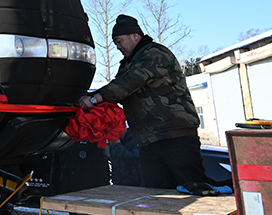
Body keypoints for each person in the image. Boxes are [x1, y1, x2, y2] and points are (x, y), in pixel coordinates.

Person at [78, 15, 215, 194]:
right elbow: (118, 90)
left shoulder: (155, 54)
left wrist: (95, 98)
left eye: (119, 41)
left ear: (135, 36)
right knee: (156, 194)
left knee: (194, 189)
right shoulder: (128, 64)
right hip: (147, 140)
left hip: (175, 135)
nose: (118, 47)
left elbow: (129, 82)